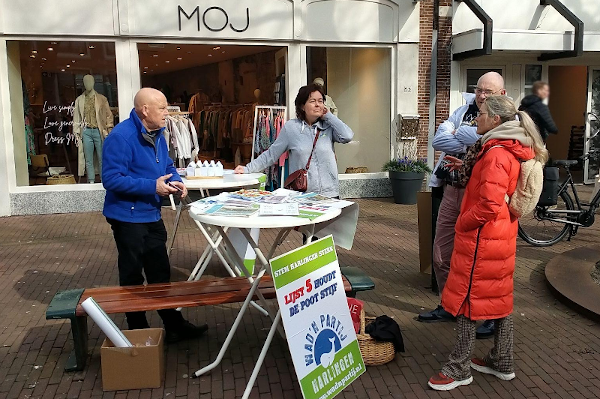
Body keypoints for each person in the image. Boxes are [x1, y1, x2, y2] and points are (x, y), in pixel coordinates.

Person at [428, 96, 548, 391]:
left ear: (496, 120)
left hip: (483, 238)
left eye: (480, 114)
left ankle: (459, 367)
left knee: (470, 300)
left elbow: (488, 204)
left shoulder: (496, 152)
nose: (475, 119)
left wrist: (461, 223)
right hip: (500, 236)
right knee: (499, 297)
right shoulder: (511, 146)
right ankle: (501, 360)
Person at [102, 88, 208, 343]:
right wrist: (153, 186)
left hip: (150, 214)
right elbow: (111, 179)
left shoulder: (159, 132)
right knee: (132, 275)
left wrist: (177, 180)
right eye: (162, 107)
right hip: (127, 217)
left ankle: (173, 325)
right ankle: (138, 331)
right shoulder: (121, 137)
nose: (167, 112)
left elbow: (167, 165)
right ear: (144, 110)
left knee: (161, 272)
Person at [418, 72, 505, 340]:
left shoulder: (507, 120)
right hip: (452, 190)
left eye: (488, 92)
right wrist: (468, 136)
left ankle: (489, 316)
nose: (481, 96)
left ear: (501, 95)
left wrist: (461, 133)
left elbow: (486, 141)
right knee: (441, 254)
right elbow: (438, 140)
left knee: (485, 261)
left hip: (482, 197)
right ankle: (449, 305)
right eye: (478, 90)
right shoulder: (462, 109)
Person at [234, 83, 353, 198]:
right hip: (304, 195)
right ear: (302, 106)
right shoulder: (291, 128)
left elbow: (347, 136)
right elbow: (271, 154)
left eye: (320, 101)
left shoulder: (328, 127)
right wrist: (247, 168)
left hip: (330, 194)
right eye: (312, 101)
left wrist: (329, 116)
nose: (318, 105)